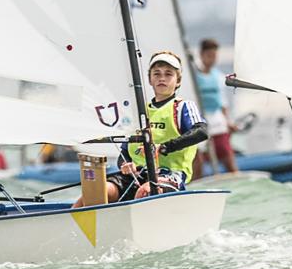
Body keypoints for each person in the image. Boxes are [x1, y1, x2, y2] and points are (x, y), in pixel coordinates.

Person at [77, 51, 207, 205]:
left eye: (168, 74)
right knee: (97, 191)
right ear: (150, 79)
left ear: (178, 81)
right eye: (156, 74)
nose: (162, 78)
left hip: (170, 174)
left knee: (145, 192)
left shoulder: (182, 106)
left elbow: (202, 131)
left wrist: (164, 147)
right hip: (136, 175)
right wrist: (125, 166)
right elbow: (125, 152)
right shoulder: (138, 112)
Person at [191, 38, 238, 177]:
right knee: (198, 161)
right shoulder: (194, 77)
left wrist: (228, 121)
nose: (212, 59)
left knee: (227, 157)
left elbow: (223, 103)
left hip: (217, 121)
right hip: (200, 122)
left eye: (215, 56)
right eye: (209, 56)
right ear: (201, 55)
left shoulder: (218, 76)